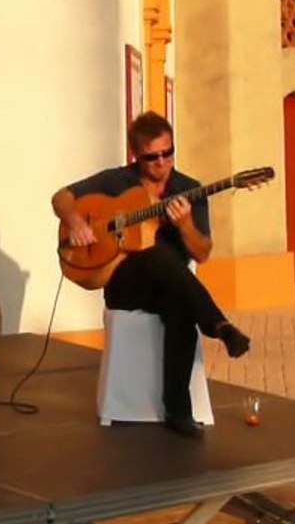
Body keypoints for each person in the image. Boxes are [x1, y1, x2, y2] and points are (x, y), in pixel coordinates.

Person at [51, 111, 251, 438]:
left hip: (171, 287)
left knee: (181, 307)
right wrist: (76, 222)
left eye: (168, 153)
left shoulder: (189, 189)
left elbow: (202, 253)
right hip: (123, 283)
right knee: (157, 255)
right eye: (152, 156)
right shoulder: (117, 181)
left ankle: (178, 410)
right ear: (136, 155)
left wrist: (185, 224)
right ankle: (218, 323)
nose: (162, 162)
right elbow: (60, 197)